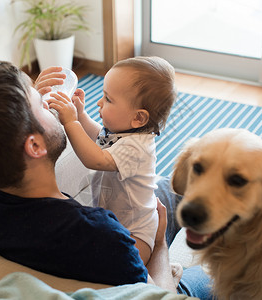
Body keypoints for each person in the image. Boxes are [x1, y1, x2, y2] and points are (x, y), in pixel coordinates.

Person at [0, 61, 212, 299]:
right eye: (41, 105)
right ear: (35, 147)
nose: (50, 101)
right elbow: (157, 295)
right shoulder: (103, 237)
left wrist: (24, 104)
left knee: (165, 187)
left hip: (127, 198)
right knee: (210, 271)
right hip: (142, 232)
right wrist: (160, 245)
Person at [47, 56, 176, 265]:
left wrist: (70, 122)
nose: (100, 102)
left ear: (138, 118)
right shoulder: (123, 133)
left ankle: (159, 272)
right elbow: (99, 138)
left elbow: (95, 159)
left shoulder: (137, 148)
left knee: (128, 262)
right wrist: (80, 115)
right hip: (114, 218)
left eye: (108, 99)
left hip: (137, 231)